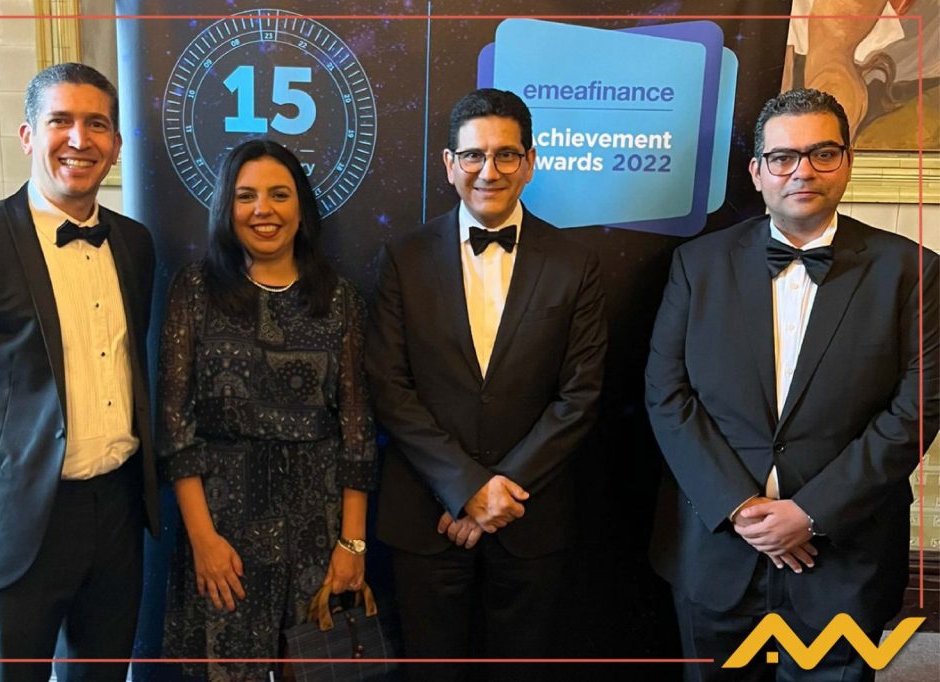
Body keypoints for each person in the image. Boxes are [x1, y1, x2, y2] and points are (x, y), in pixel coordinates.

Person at [646, 88, 939, 681]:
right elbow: (667, 394)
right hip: (716, 547)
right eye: (783, 157)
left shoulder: (914, 271)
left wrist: (810, 511)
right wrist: (740, 505)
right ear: (758, 172)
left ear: (847, 163)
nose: (802, 171)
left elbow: (918, 408)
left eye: (822, 153)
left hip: (845, 553)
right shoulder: (696, 265)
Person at [0, 63, 159, 681]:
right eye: (61, 121)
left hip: (117, 513)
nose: (80, 139)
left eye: (96, 124)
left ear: (116, 144)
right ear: (28, 135)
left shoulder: (135, 244)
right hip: (9, 521)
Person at [366, 88, 607, 681]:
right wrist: (465, 488)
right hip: (426, 516)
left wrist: (497, 495)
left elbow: (579, 396)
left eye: (506, 155)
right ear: (450, 164)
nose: (488, 171)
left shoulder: (576, 262)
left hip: (530, 518)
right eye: (473, 155)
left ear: (530, 162)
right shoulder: (403, 257)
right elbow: (390, 387)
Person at [158, 138, 377, 681]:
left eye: (279, 194)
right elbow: (176, 426)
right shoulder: (195, 290)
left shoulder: (341, 299)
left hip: (318, 532)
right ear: (226, 208)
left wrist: (352, 543)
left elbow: (356, 427)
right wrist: (203, 540)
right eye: (246, 196)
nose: (263, 210)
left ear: (301, 208)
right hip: (223, 531)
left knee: (316, 673)